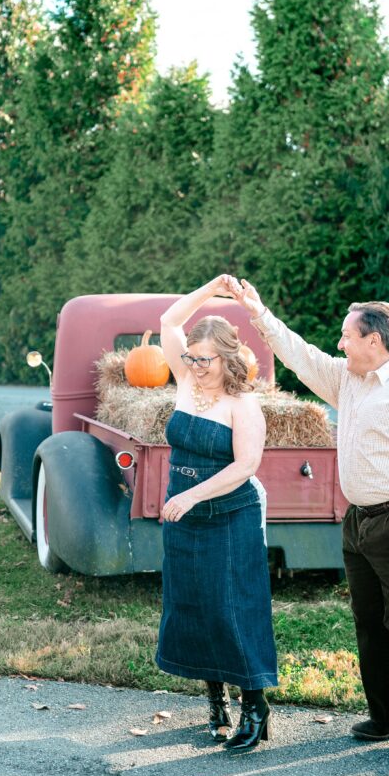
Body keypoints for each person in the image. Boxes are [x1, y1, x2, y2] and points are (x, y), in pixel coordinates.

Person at [231, 277, 389, 767]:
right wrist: (258, 311)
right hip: (358, 524)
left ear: (375, 340)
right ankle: (386, 716)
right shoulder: (345, 378)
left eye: (347, 336)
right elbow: (300, 354)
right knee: (370, 625)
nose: (340, 343)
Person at [155, 275, 278, 752]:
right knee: (194, 608)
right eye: (190, 357)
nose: (194, 366)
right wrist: (214, 288)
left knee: (234, 608)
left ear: (227, 358)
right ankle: (215, 703)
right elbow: (169, 320)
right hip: (185, 520)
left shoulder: (243, 404)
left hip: (230, 516)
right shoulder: (186, 381)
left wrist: (191, 496)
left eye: (204, 360)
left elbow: (246, 466)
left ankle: (255, 705)